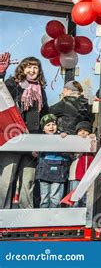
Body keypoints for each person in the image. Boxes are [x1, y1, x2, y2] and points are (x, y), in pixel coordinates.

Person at [0, 55, 49, 209]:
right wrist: (1, 73)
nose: (32, 70)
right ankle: (3, 215)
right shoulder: (14, 85)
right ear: (22, 68)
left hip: (32, 142)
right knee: (7, 180)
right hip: (13, 138)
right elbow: (1, 92)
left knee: (28, 181)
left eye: (35, 67)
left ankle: (25, 218)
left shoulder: (40, 90)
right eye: (29, 66)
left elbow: (45, 115)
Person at [35, 114, 71, 208]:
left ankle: (54, 220)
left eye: (53, 124)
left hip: (59, 170)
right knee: (44, 198)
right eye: (48, 125)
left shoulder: (61, 136)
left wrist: (65, 136)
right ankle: (43, 219)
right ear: (43, 129)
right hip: (44, 170)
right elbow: (36, 151)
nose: (51, 127)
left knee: (55, 197)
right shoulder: (40, 139)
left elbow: (68, 149)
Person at [67, 121, 96, 207]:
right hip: (76, 175)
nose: (82, 132)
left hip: (89, 175)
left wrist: (93, 139)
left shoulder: (93, 141)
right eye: (80, 131)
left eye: (85, 130)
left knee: (87, 200)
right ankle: (73, 219)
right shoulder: (73, 142)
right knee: (75, 199)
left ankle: (85, 219)